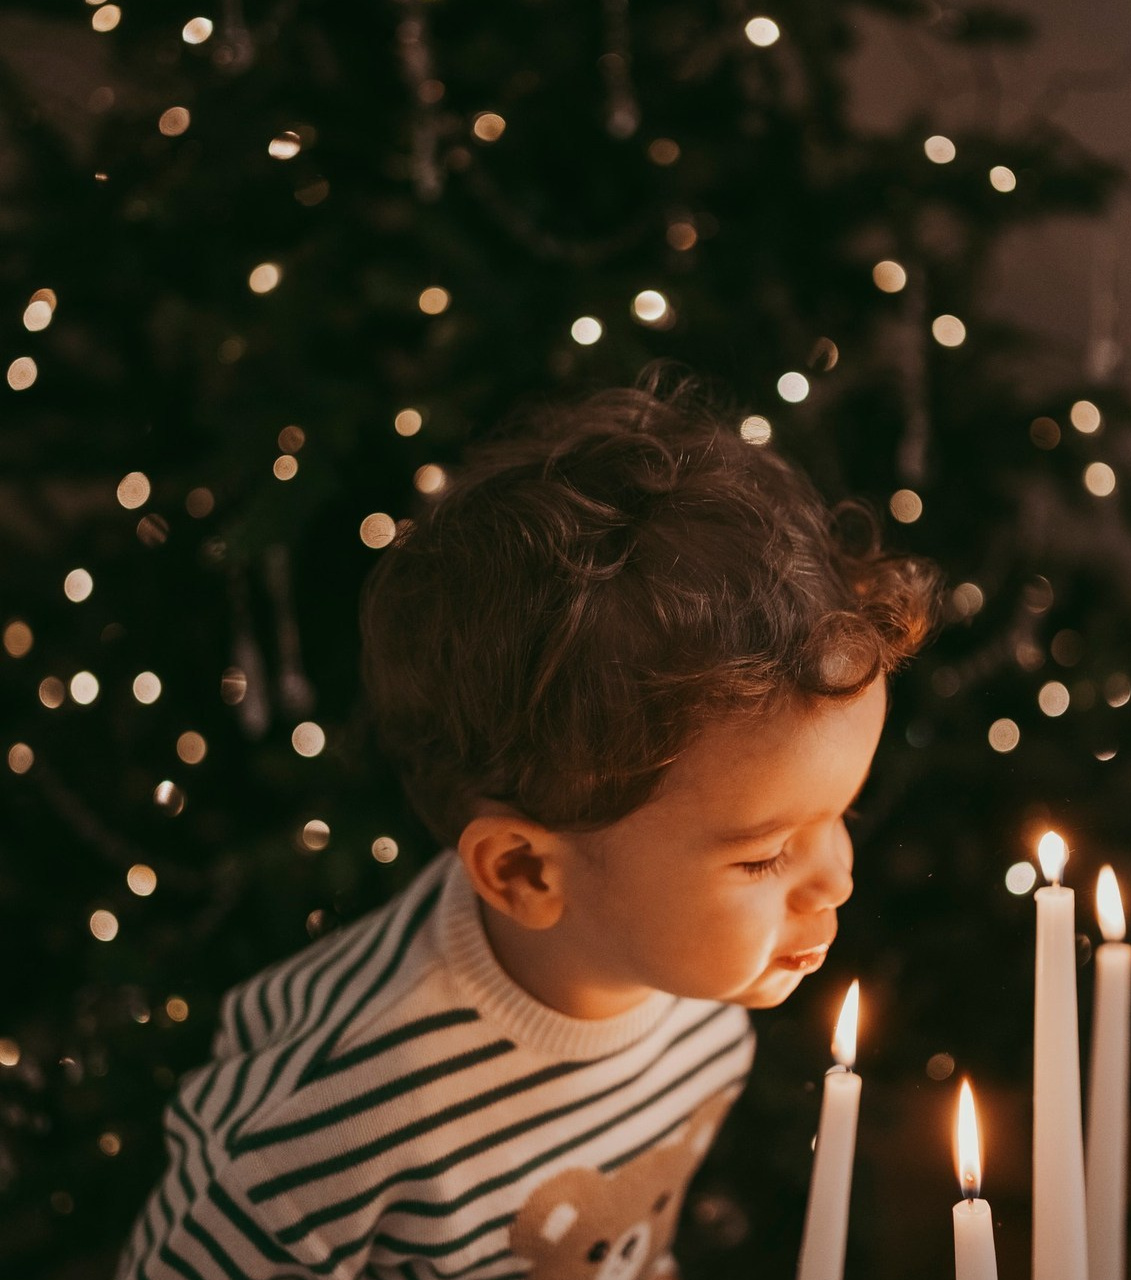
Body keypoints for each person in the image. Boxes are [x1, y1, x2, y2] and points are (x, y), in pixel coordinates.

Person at [115, 370, 939, 1280]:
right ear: (526, 874)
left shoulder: (694, 994)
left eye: (840, 813)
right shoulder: (338, 1118)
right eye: (765, 856)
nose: (836, 879)